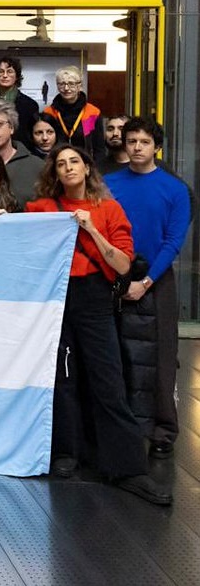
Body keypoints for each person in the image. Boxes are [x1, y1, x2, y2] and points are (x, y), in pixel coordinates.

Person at [25, 146, 171, 506]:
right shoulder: (39, 209)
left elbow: (123, 265)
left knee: (108, 378)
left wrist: (91, 230)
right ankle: (64, 453)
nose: (68, 167)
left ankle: (127, 468)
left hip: (93, 298)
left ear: (88, 168)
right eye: (61, 164)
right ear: (54, 173)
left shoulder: (108, 209)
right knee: (60, 377)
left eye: (74, 161)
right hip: (54, 299)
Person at [106, 117, 193, 457]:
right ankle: (119, 427)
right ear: (124, 145)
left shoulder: (176, 189)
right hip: (113, 274)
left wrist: (145, 282)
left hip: (156, 278)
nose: (137, 147)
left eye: (144, 142)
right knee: (116, 354)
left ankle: (162, 431)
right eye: (131, 141)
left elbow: (173, 242)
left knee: (160, 356)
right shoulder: (108, 184)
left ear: (156, 146)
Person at [43, 65, 106, 162]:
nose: (66, 88)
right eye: (62, 84)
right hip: (56, 164)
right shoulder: (49, 112)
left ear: (80, 85)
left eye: (71, 84)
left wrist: (96, 172)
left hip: (84, 165)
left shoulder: (92, 113)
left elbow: (99, 148)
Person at [0, 55, 40, 148]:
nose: (5, 75)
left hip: (20, 153)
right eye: (1, 71)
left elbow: (33, 136)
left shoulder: (30, 105)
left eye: (9, 72)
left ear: (17, 76)